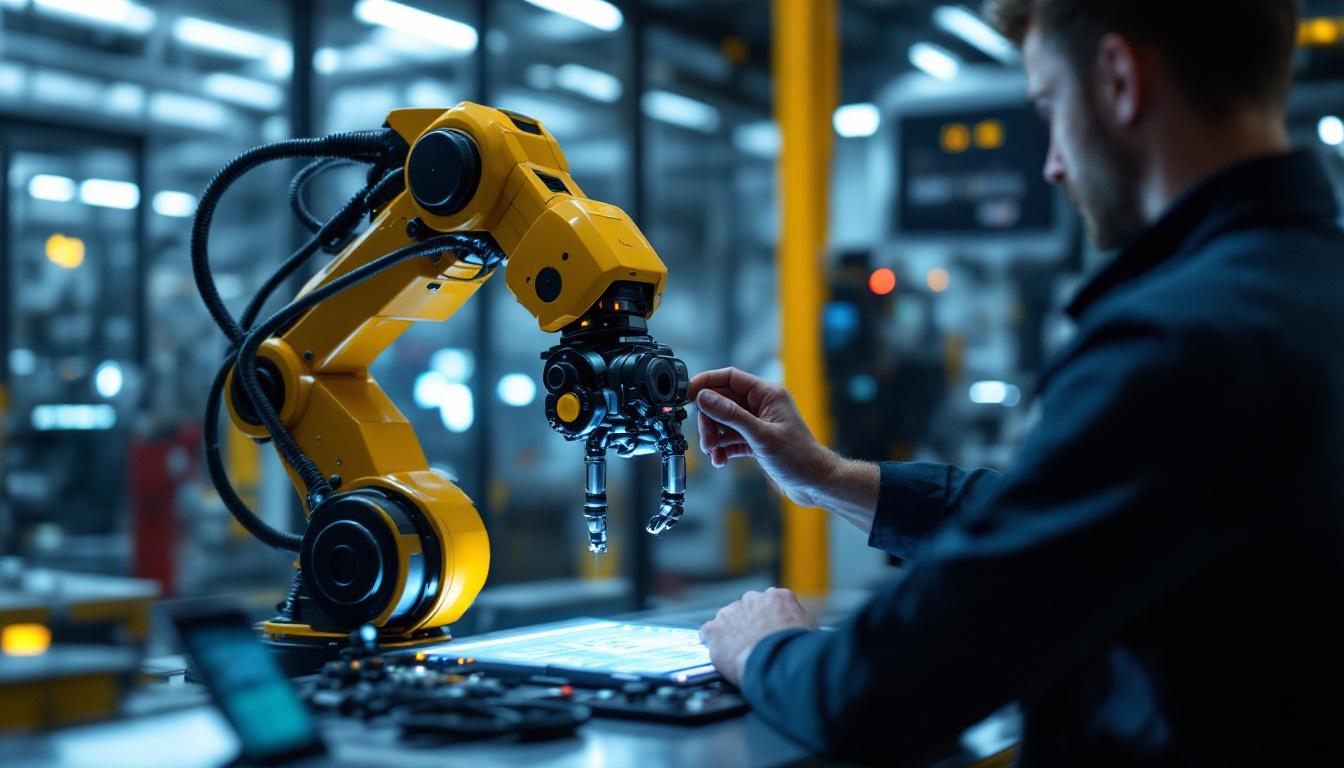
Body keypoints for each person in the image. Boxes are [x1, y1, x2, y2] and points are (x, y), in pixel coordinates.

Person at [695, 0, 1344, 764]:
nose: (1053, 165)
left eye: (1048, 108)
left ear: (1118, 79)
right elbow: (1085, 519)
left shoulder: (1177, 341)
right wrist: (834, 479)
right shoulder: (1311, 289)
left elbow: (886, 692)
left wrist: (767, 649)